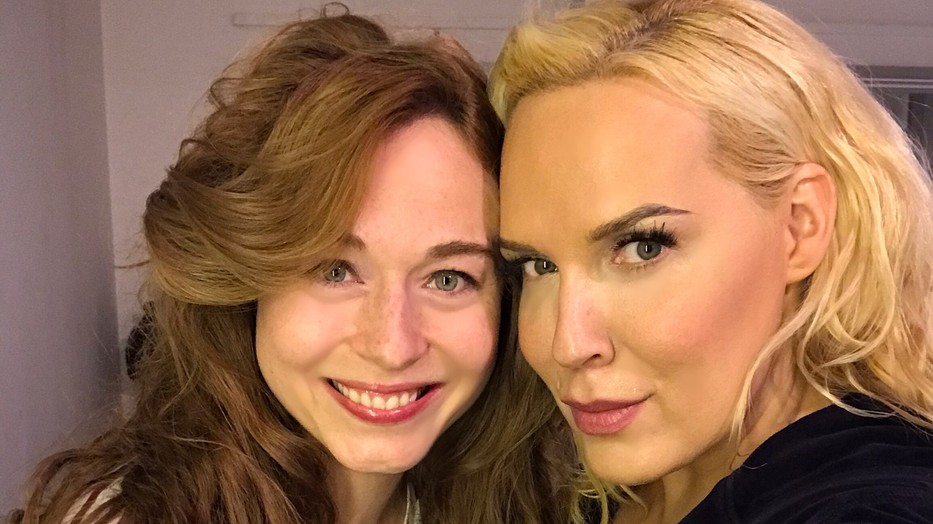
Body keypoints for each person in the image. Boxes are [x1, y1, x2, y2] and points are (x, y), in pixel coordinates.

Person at [12, 12, 573, 524]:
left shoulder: (504, 503)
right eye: (335, 270)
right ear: (249, 282)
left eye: (447, 279)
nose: (392, 346)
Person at [489, 0, 933, 522]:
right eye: (537, 266)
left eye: (642, 247)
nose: (567, 346)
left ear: (800, 224)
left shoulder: (872, 505)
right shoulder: (634, 484)